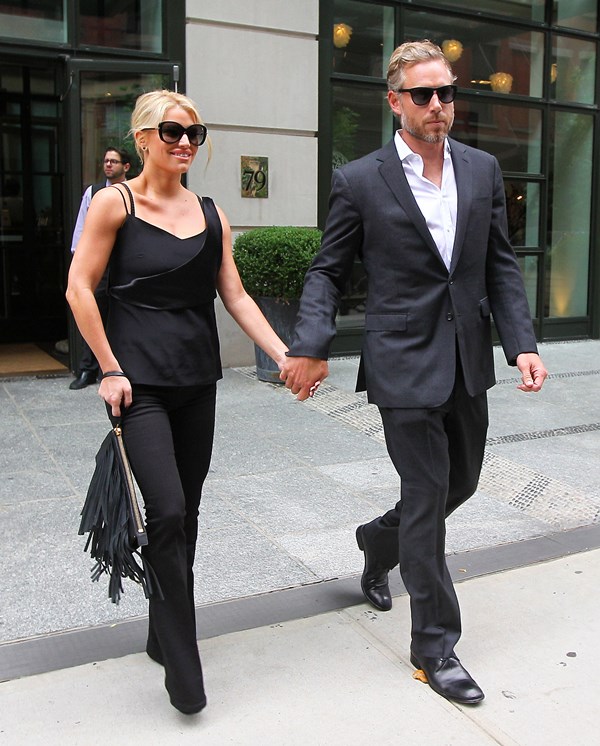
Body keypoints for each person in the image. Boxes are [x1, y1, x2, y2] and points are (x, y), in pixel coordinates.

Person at [280, 40, 547, 705]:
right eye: (422, 94)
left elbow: (500, 263)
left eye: (446, 92)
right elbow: (327, 271)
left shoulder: (483, 169)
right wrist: (310, 344)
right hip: (401, 360)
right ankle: (435, 647)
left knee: (462, 482)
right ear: (394, 100)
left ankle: (378, 541)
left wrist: (521, 343)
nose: (437, 105)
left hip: (466, 358)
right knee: (427, 498)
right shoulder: (360, 180)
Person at [66, 90, 288, 714]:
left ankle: (160, 632)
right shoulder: (115, 204)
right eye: (172, 131)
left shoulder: (211, 213)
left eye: (194, 133)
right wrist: (109, 368)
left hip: (196, 383)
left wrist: (283, 353)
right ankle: (185, 672)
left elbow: (235, 295)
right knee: (163, 511)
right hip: (137, 384)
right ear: (143, 139)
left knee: (185, 515)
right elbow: (79, 288)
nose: (185, 142)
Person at [68, 148, 132, 389]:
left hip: (127, 265)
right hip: (99, 264)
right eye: (106, 161)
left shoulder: (134, 192)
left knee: (125, 315)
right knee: (92, 313)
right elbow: (81, 229)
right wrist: (80, 261)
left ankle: (123, 367)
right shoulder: (93, 193)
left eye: (113, 161)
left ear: (126, 166)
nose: (108, 165)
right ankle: (88, 369)